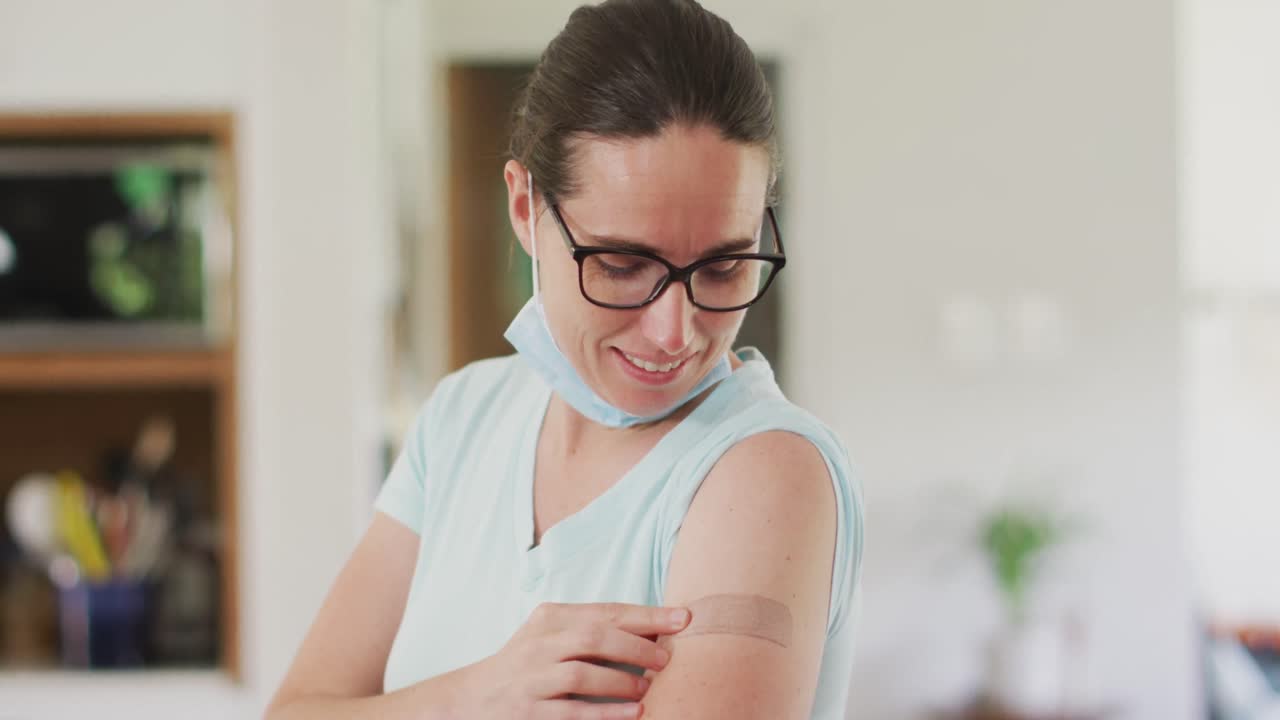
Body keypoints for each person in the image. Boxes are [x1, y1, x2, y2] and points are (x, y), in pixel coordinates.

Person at [265, 1, 863, 718]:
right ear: (526, 208)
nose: (675, 331)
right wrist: (479, 696)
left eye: (723, 267)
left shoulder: (764, 472)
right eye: (620, 264)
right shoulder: (461, 419)